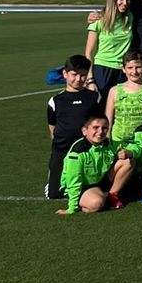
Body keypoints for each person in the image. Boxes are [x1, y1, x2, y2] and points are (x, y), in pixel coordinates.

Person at [46, 56, 100, 201]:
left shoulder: (94, 97)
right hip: (62, 151)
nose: (78, 79)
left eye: (82, 75)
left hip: (86, 152)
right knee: (54, 194)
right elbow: (52, 126)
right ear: (65, 74)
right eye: (74, 74)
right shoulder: (55, 101)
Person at [57, 112, 117, 214]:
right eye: (95, 128)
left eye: (104, 128)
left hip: (97, 182)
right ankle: (86, 202)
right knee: (96, 203)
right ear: (85, 131)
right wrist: (72, 208)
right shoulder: (77, 152)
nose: (100, 132)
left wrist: (129, 153)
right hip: (81, 186)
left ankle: (112, 196)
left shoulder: (108, 143)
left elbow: (131, 149)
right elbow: (74, 181)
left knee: (127, 161)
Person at [85, 0, 134, 98]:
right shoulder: (99, 19)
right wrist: (90, 79)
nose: (125, 3)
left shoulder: (130, 18)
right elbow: (88, 53)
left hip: (122, 71)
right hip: (102, 70)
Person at [105, 55, 142, 149]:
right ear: (123, 69)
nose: (134, 72)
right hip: (118, 142)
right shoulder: (114, 91)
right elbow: (108, 118)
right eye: (130, 68)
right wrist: (107, 139)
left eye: (138, 67)